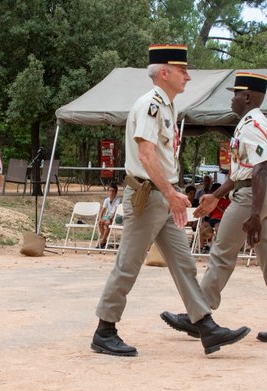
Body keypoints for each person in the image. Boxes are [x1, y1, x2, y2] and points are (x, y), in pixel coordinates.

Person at [91, 42, 249, 357]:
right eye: (182, 70)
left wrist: (170, 194)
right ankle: (104, 330)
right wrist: (170, 194)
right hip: (148, 195)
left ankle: (205, 325)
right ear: (165, 73)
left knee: (183, 263)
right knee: (128, 264)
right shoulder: (150, 105)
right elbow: (146, 154)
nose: (188, 77)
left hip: (163, 196)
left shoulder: (167, 106)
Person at [162, 72, 267, 345]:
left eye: (235, 94)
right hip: (261, 194)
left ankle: (198, 316)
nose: (232, 99)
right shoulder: (259, 122)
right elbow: (243, 172)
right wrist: (215, 195)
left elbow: (259, 170)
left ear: (247, 96)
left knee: (222, 253)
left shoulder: (251, 126)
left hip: (251, 197)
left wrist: (254, 214)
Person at [97, 184, 121, 248]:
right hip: (108, 216)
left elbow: (116, 211)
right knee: (100, 223)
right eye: (110, 191)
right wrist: (100, 218)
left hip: (117, 216)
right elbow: (102, 210)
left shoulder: (118, 200)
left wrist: (109, 218)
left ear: (116, 192)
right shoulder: (106, 200)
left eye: (113, 191)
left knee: (108, 223)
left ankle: (103, 242)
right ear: (107, 192)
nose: (111, 192)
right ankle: (105, 240)